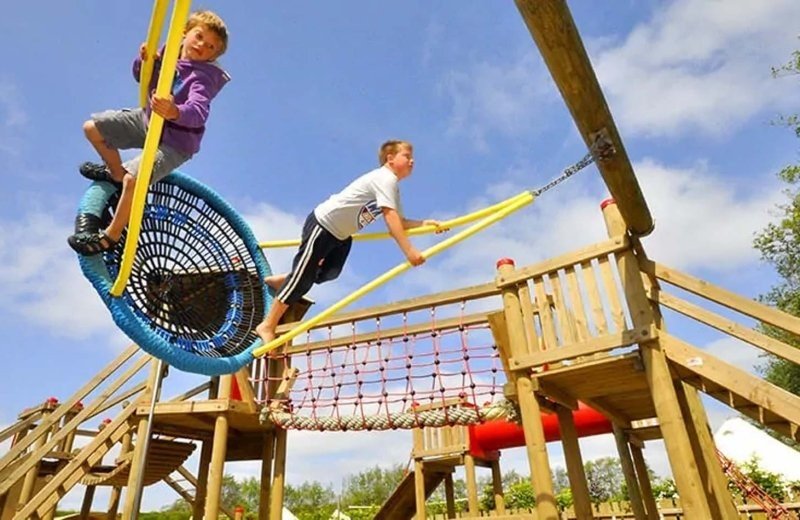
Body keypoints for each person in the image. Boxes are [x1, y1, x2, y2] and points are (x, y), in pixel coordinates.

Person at [68, 10, 231, 255]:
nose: (201, 46)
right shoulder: (169, 52)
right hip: (149, 120)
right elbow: (140, 76)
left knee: (134, 179)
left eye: (210, 47)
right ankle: (114, 172)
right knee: (92, 129)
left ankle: (109, 237)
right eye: (199, 37)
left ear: (212, 57)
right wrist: (144, 61)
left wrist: (175, 111)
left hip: (176, 141)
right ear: (185, 34)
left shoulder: (202, 78)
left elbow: (198, 112)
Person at [255, 140, 447, 346]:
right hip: (324, 225)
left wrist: (425, 223)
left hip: (342, 235)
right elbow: (391, 223)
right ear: (390, 159)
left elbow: (399, 221)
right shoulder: (384, 178)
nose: (412, 160)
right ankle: (267, 325)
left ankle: (290, 277)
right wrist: (409, 251)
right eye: (407, 156)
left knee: (330, 273)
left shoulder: (392, 187)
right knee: (302, 282)